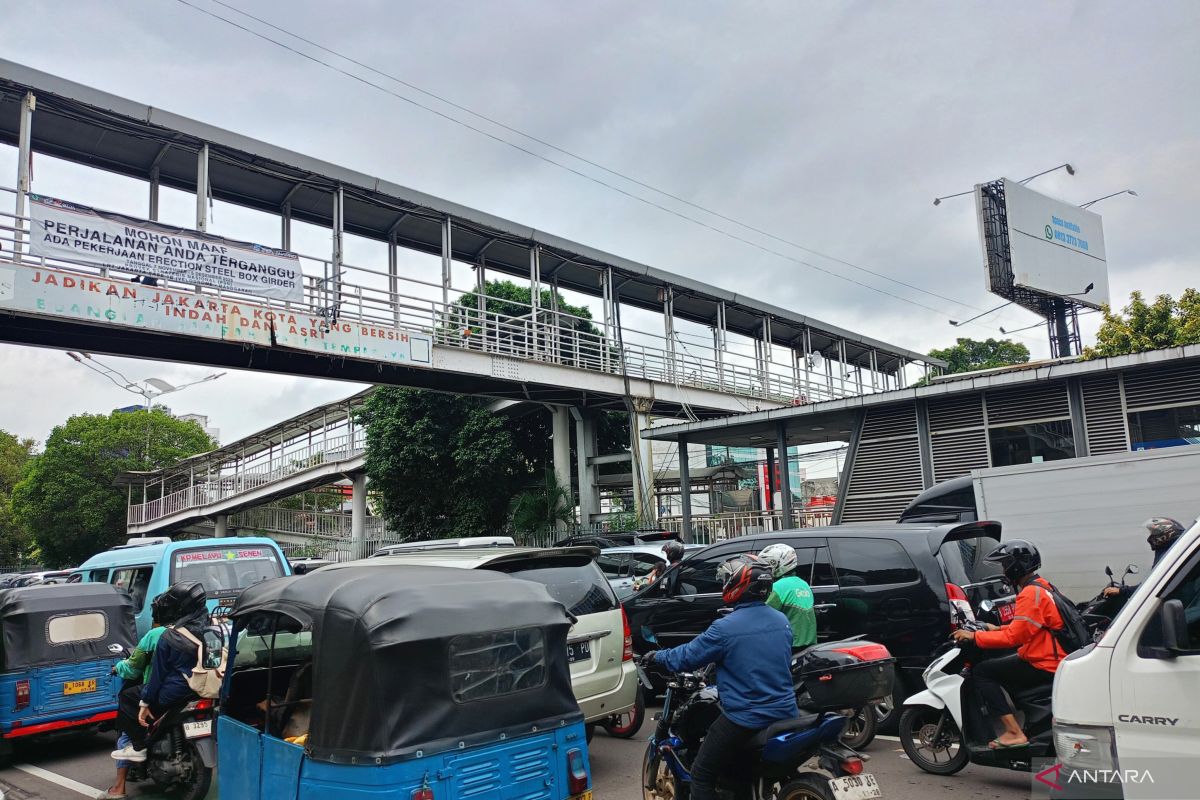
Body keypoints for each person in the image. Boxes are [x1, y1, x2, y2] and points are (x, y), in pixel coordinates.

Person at [642, 555, 798, 800]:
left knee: (702, 774)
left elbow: (686, 657)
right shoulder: (781, 621)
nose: (724, 583)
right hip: (787, 711)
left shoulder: (725, 628)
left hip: (745, 718)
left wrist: (657, 657)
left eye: (727, 579)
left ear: (737, 585)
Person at [952, 539, 1064, 749]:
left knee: (984, 672)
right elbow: (1027, 628)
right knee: (1005, 664)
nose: (1004, 571)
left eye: (1005, 565)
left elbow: (1014, 638)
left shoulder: (1030, 594)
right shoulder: (1043, 586)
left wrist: (974, 637)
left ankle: (1013, 732)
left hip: (1045, 661)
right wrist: (996, 629)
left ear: (1015, 566)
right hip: (1050, 654)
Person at [111, 581, 209, 763]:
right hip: (204, 689)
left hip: (175, 692)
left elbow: (157, 676)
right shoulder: (211, 629)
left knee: (127, 696)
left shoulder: (169, 637)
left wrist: (145, 703)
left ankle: (138, 747)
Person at [103, 598, 170, 798]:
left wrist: (117, 667)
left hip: (155, 692)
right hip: (184, 691)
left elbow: (133, 668)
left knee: (125, 726)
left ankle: (119, 787)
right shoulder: (191, 631)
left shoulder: (154, 635)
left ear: (156, 616)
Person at [1103, 517, 1187, 598]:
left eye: (1153, 533)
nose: (1150, 536)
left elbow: (1150, 586)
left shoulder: (1168, 556)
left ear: (1165, 533)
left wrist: (1122, 591)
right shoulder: (1170, 551)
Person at [759, 543, 817, 652]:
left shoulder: (778, 587)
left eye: (770, 564)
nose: (766, 568)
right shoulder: (803, 584)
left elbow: (761, 614)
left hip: (789, 645)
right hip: (809, 644)